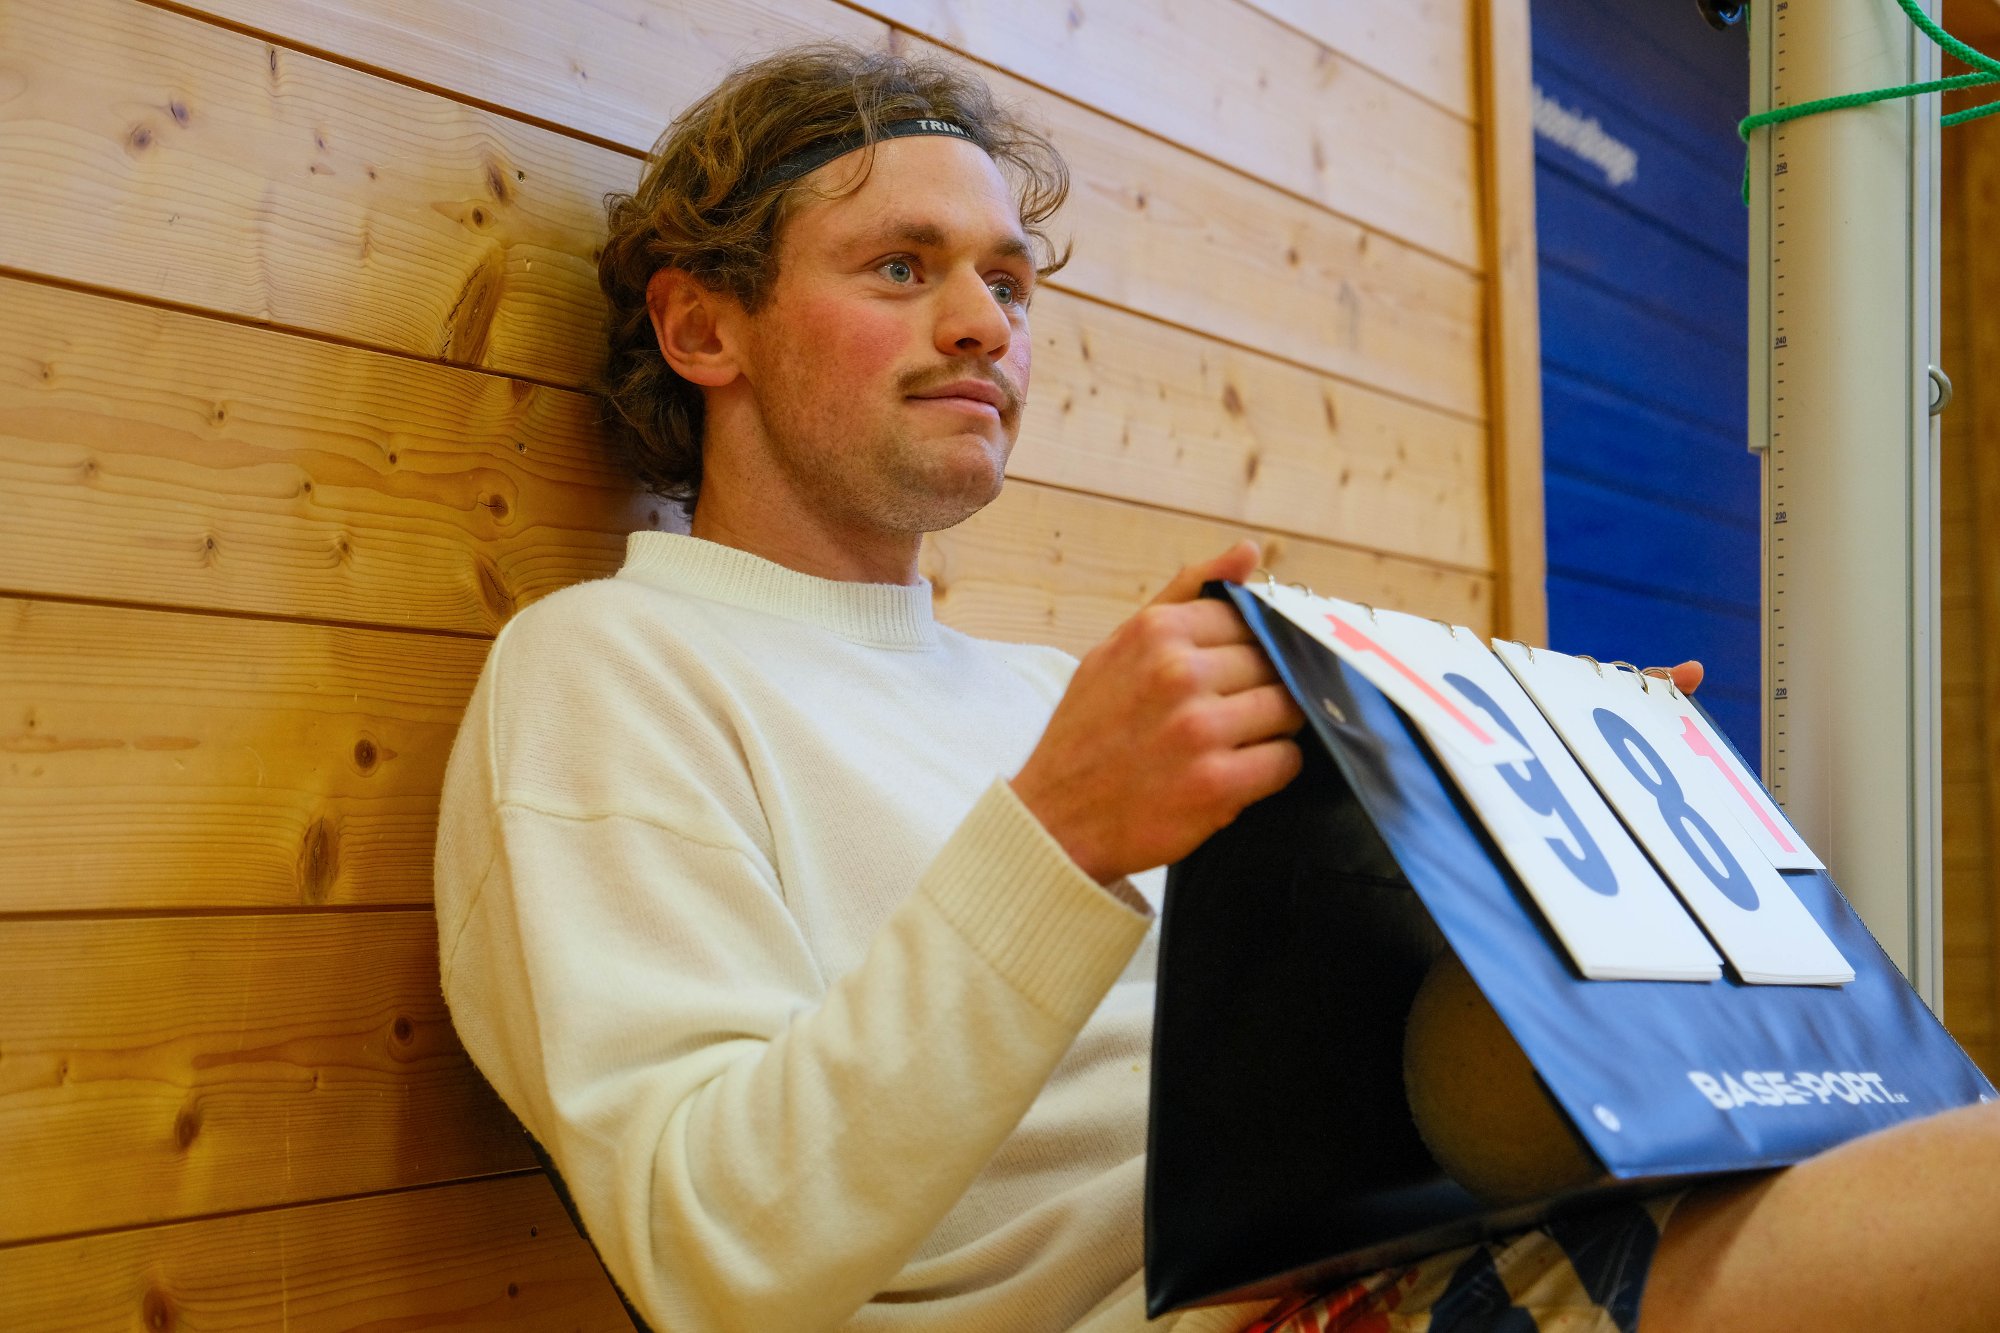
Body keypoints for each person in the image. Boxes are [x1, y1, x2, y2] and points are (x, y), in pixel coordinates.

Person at [434, 42, 2000, 1333]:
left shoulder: (1048, 695)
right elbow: (711, 1262)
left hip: (1400, 1246)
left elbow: (1332, 1102)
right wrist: (1060, 836)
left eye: (1008, 281)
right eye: (900, 268)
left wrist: (1531, 829)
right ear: (702, 325)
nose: (983, 323)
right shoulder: (606, 671)